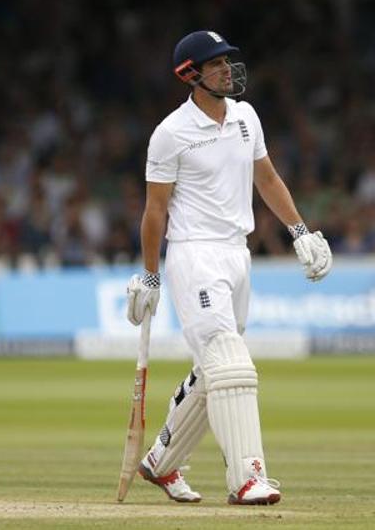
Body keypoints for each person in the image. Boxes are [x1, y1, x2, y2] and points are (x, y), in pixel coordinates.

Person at [126, 31, 332, 506]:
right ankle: (247, 477)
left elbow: (267, 176)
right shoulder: (171, 132)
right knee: (230, 362)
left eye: (227, 62)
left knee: (212, 370)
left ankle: (161, 461)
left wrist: (299, 230)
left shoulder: (246, 116)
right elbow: (155, 209)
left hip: (237, 253)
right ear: (191, 74)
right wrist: (151, 274)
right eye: (215, 64)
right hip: (194, 253)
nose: (226, 69)